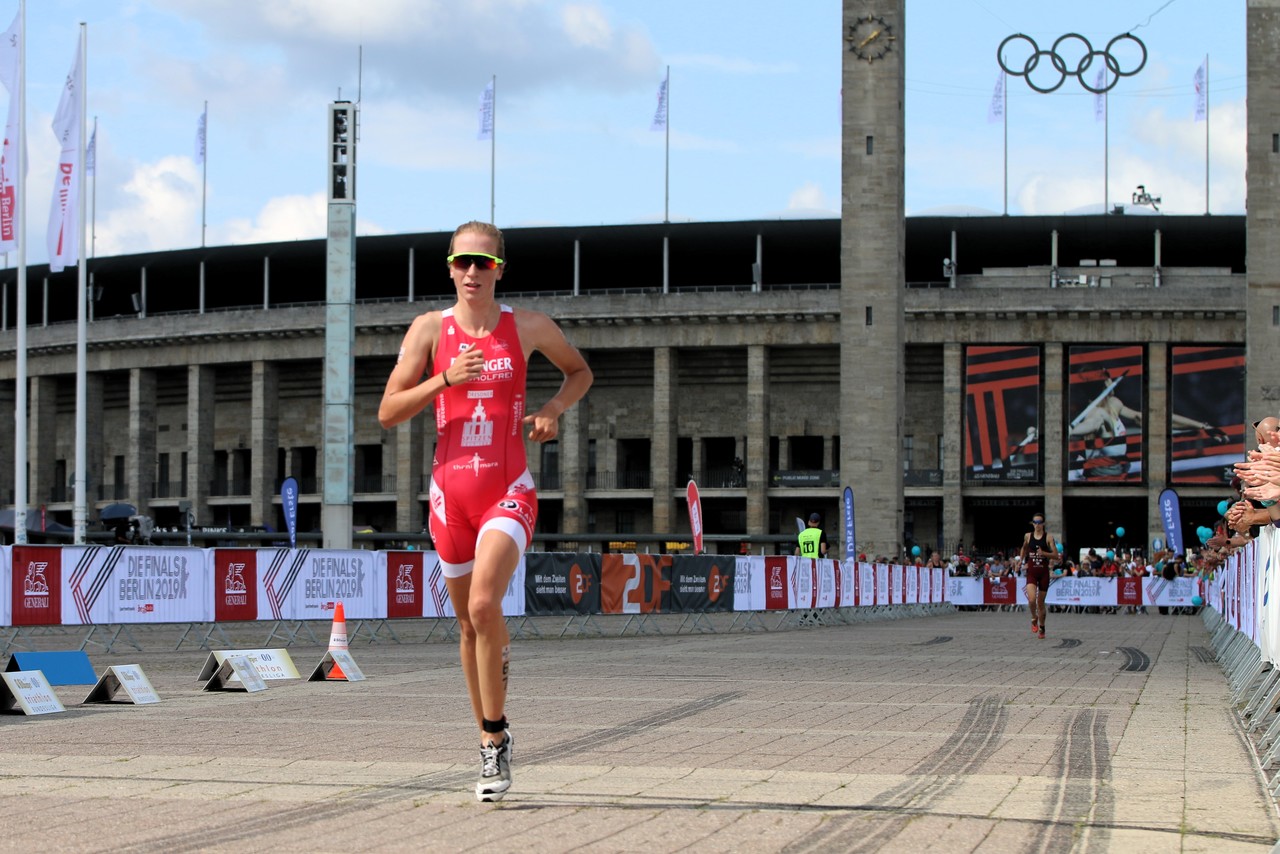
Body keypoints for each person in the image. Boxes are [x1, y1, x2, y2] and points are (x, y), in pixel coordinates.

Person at [378, 220, 593, 802]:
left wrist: (551, 408)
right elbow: (388, 411)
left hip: (508, 489)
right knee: (468, 626)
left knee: (483, 603)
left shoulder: (526, 327)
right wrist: (444, 377)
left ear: (501, 268)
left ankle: (495, 741)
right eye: (463, 261)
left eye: (484, 262)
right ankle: (487, 738)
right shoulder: (429, 330)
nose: (473, 272)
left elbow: (581, 371)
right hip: (450, 497)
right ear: (449, 266)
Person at [1018, 512, 1059, 639]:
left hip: (1043, 573)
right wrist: (1020, 560)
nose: (1037, 525)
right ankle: (1033, 617)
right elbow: (1024, 548)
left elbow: (1056, 556)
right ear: (1032, 524)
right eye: (1035, 522)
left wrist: (1044, 553)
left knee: (1040, 603)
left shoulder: (1048, 538)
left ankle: (1042, 627)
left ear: (1043, 524)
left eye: (1039, 522)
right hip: (1032, 572)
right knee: (1031, 600)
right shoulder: (1028, 536)